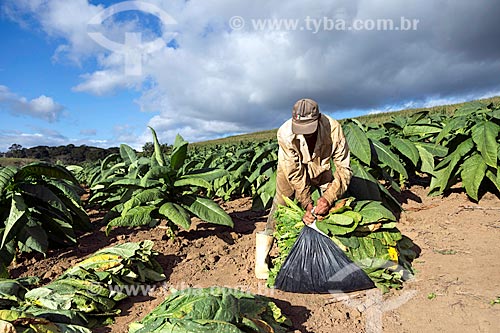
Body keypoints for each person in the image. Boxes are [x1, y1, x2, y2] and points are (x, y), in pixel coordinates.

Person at [255, 98, 353, 279]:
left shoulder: (333, 128)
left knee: (335, 205)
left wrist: (328, 197)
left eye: (309, 129)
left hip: (321, 167)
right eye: (301, 128)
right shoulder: (285, 133)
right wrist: (307, 203)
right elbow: (295, 173)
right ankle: (262, 257)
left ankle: (332, 252)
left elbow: (343, 168)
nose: (305, 134)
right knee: (281, 203)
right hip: (290, 169)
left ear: (319, 119)